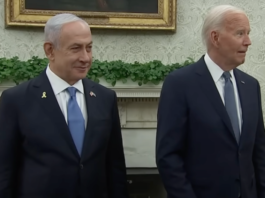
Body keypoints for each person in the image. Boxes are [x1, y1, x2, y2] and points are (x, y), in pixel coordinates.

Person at [0, 13, 129, 198]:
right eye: (76, 48)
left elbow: (115, 168)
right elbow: (4, 171)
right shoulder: (17, 100)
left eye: (89, 48)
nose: (86, 58)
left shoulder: (105, 98)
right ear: (50, 51)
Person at [156, 5, 265, 198]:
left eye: (248, 33)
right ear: (215, 38)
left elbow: (259, 152)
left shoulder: (250, 86)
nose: (248, 41)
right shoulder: (180, 84)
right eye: (240, 33)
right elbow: (168, 157)